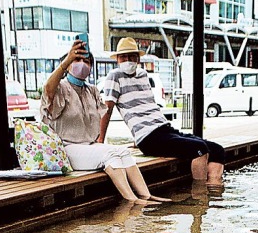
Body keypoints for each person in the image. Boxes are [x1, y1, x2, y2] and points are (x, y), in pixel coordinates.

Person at [40, 39, 169, 205]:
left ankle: (146, 195)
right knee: (109, 155)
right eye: (77, 60)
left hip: (88, 146)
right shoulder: (61, 88)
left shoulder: (91, 90)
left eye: (86, 61)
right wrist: (66, 61)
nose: (82, 64)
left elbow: (103, 115)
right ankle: (132, 199)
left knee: (122, 152)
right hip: (65, 149)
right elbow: (48, 88)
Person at [99, 37, 225, 188]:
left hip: (164, 128)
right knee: (199, 149)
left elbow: (146, 107)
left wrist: (134, 137)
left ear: (138, 59)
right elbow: (108, 109)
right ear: (117, 59)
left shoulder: (143, 75)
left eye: (132, 56)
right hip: (149, 137)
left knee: (218, 149)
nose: (128, 60)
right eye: (123, 57)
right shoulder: (115, 76)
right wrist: (101, 141)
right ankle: (200, 197)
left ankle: (213, 187)